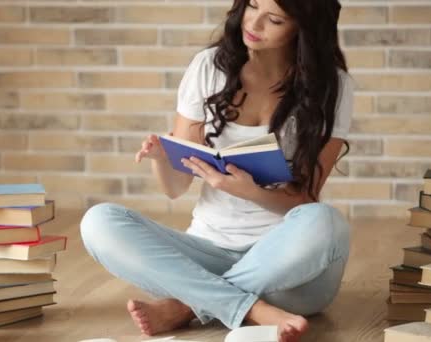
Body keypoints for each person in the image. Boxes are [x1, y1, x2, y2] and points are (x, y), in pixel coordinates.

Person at [80, 0, 354, 341]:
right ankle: (250, 309)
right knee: (99, 221)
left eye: (274, 19)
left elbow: (304, 199)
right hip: (209, 254)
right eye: (252, 5)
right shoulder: (209, 67)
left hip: (291, 273)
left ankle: (190, 306)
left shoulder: (333, 86)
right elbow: (175, 188)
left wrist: (249, 190)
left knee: (325, 221)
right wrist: (163, 158)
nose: (253, 23)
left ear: (303, 27)